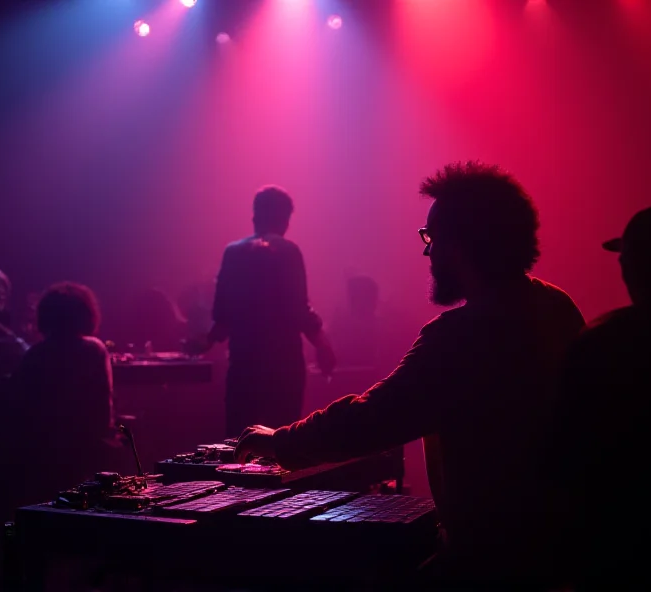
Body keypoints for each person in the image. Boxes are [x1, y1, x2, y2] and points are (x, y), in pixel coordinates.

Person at [235, 163, 585, 581]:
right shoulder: (557, 307)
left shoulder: (459, 337)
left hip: (491, 561)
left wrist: (280, 441)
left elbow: (372, 418)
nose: (427, 251)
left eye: (432, 239)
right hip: (563, 550)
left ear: (461, 245)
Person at [553, 206, 651, 586]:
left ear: (635, 266)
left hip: (618, 545)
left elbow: (564, 453)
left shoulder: (603, 341)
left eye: (627, 259)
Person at [191, 186, 336, 438]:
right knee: (280, 443)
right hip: (283, 366)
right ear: (285, 219)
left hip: (243, 365)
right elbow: (300, 310)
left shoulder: (232, 253)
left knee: (239, 443)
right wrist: (323, 346)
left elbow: (222, 318)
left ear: (255, 216)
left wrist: (204, 342)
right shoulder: (289, 251)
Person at [11, 282, 116, 502]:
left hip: (40, 450)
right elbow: (102, 410)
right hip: (83, 449)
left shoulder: (34, 354)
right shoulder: (93, 350)